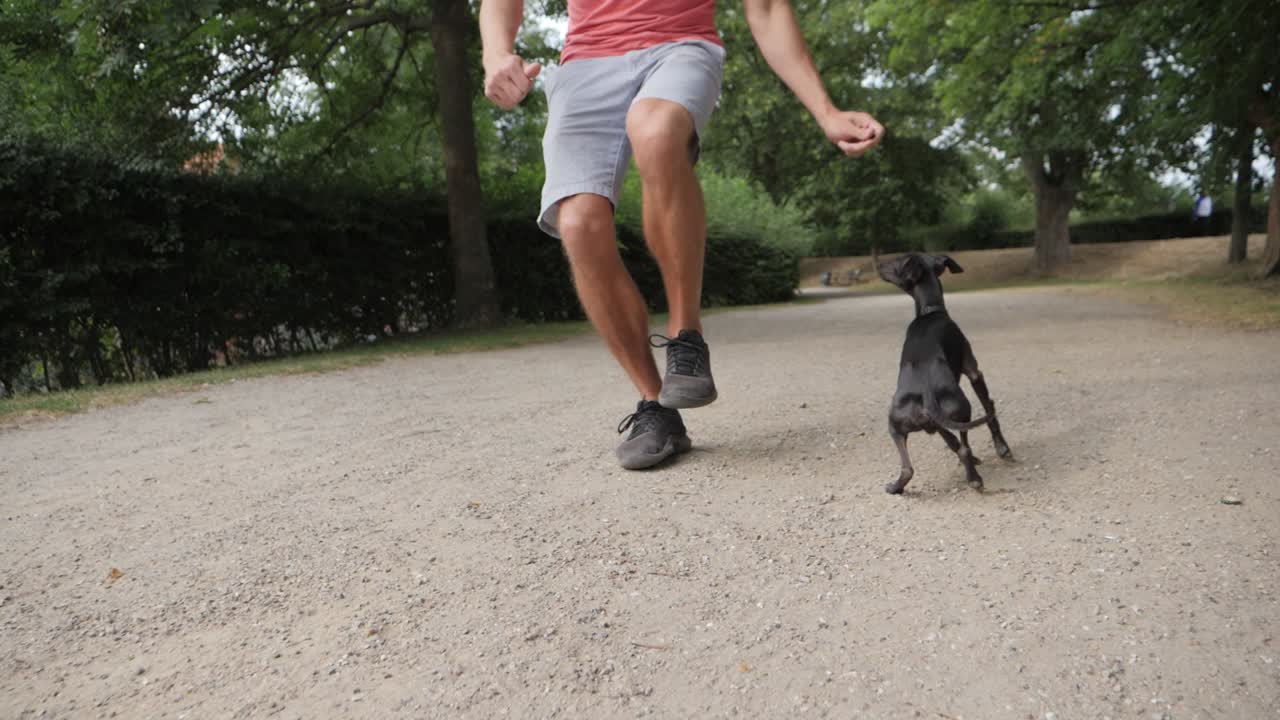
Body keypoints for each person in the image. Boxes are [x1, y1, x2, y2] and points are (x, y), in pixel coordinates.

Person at [480, 0, 883, 469]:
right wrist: (496, 54)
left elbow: (768, 8)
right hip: (585, 64)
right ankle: (656, 408)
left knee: (654, 132)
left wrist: (826, 110)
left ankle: (685, 336)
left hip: (679, 47)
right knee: (578, 224)